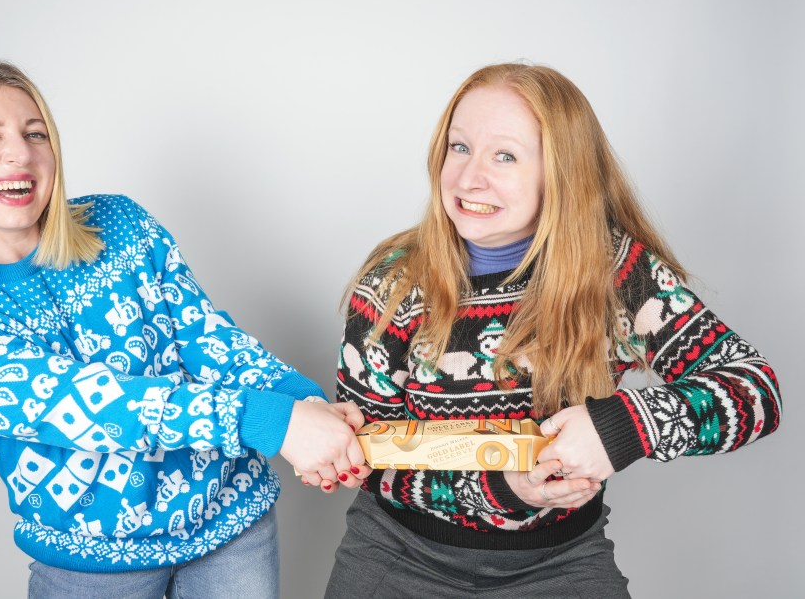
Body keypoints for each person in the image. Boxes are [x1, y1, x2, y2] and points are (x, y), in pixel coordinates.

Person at [0, 56, 368, 599]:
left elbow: (207, 338)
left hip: (234, 535)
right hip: (92, 573)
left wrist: (302, 408)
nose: (20, 154)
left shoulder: (119, 224)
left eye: (36, 133)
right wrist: (274, 421)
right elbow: (96, 407)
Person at [325, 63, 782, 598]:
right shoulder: (394, 282)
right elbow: (371, 452)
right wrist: (505, 488)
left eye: (505, 155)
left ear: (561, 172)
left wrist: (626, 427)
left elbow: (757, 391)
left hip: (563, 562)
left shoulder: (617, 275)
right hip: (399, 556)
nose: (469, 177)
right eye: (459, 146)